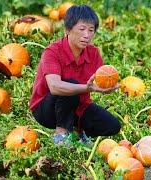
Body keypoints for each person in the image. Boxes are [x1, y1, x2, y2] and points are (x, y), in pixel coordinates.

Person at [29, 5, 121, 147]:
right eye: (82, 29)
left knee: (113, 125)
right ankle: (61, 134)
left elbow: (100, 82)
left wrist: (108, 86)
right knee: (70, 85)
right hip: (46, 110)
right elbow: (54, 87)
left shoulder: (94, 53)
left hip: (78, 106)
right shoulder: (52, 52)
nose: (87, 35)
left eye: (91, 30)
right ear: (67, 30)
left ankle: (78, 132)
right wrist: (88, 88)